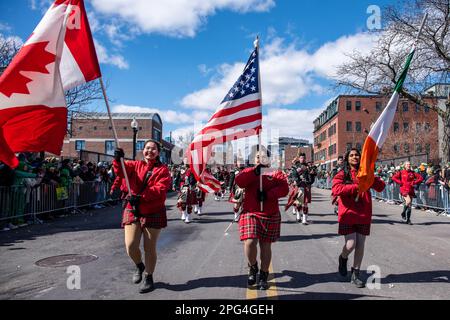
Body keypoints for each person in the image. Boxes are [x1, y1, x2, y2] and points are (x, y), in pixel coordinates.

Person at [113, 139, 172, 294]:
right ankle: (139, 265)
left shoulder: (163, 170)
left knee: (149, 247)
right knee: (131, 245)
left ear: (158, 152)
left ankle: (148, 276)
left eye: (153, 149)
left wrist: (141, 196)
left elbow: (160, 189)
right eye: (147, 148)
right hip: (132, 208)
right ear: (143, 150)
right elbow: (121, 171)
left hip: (153, 210)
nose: (149, 151)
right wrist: (117, 159)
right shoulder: (134, 165)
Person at [235, 146, 289, 290]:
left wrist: (268, 194)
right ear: (253, 159)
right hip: (251, 212)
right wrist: (254, 172)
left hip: (270, 214)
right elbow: (239, 181)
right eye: (257, 156)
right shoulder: (248, 171)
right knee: (250, 241)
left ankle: (264, 274)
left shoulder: (276, 173)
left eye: (263, 156)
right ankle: (253, 267)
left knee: (266, 246)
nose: (260, 159)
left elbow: (284, 189)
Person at [332, 148, 385, 288]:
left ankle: (356, 274)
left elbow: (381, 187)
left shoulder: (366, 173)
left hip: (364, 213)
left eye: (357, 155)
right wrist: (355, 186)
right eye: (352, 155)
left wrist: (371, 177)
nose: (355, 157)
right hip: (348, 213)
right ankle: (343, 258)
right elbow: (336, 190)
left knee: (360, 245)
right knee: (351, 244)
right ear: (347, 158)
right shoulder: (342, 174)